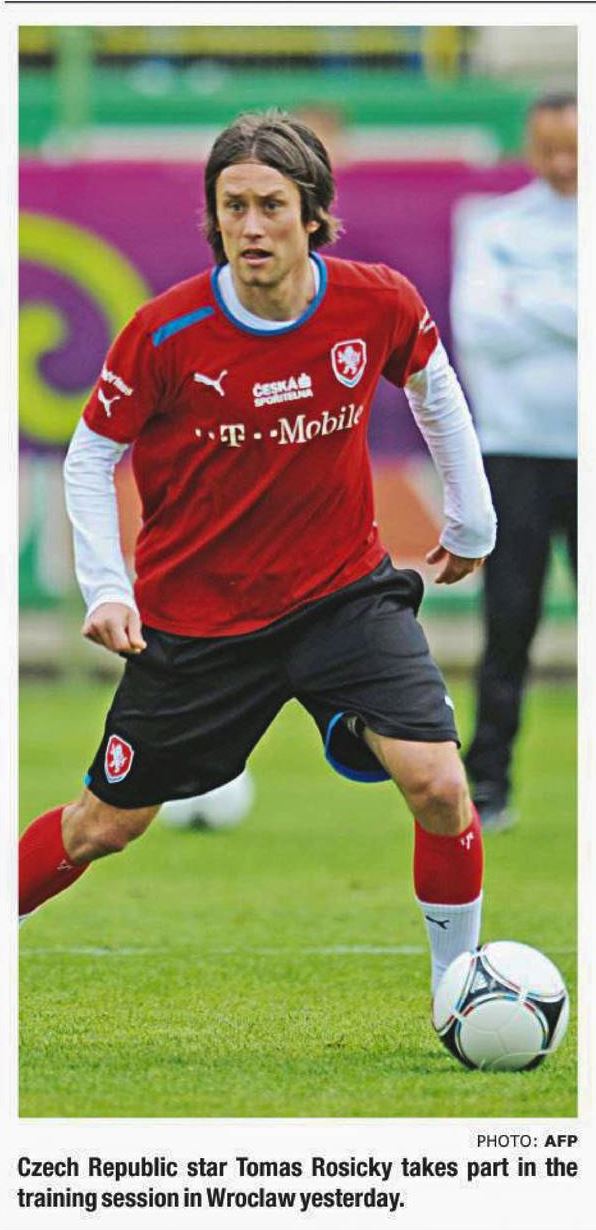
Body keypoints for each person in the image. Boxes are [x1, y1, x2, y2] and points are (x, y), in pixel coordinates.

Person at [19, 110, 496, 994]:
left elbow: (434, 386)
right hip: (199, 623)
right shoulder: (166, 333)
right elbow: (89, 456)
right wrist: (107, 588)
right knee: (102, 827)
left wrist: (472, 521)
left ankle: (461, 985)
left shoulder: (377, 301)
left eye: (270, 205)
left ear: (312, 213)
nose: (249, 226)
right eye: (231, 206)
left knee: (437, 783)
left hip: (342, 597)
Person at [451, 93, 577, 832]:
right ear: (530, 146)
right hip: (514, 450)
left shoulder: (508, 248)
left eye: (574, 147)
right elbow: (478, 327)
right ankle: (489, 783)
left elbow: (507, 319)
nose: (563, 163)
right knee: (508, 625)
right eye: (550, 147)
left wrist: (527, 300)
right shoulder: (494, 224)